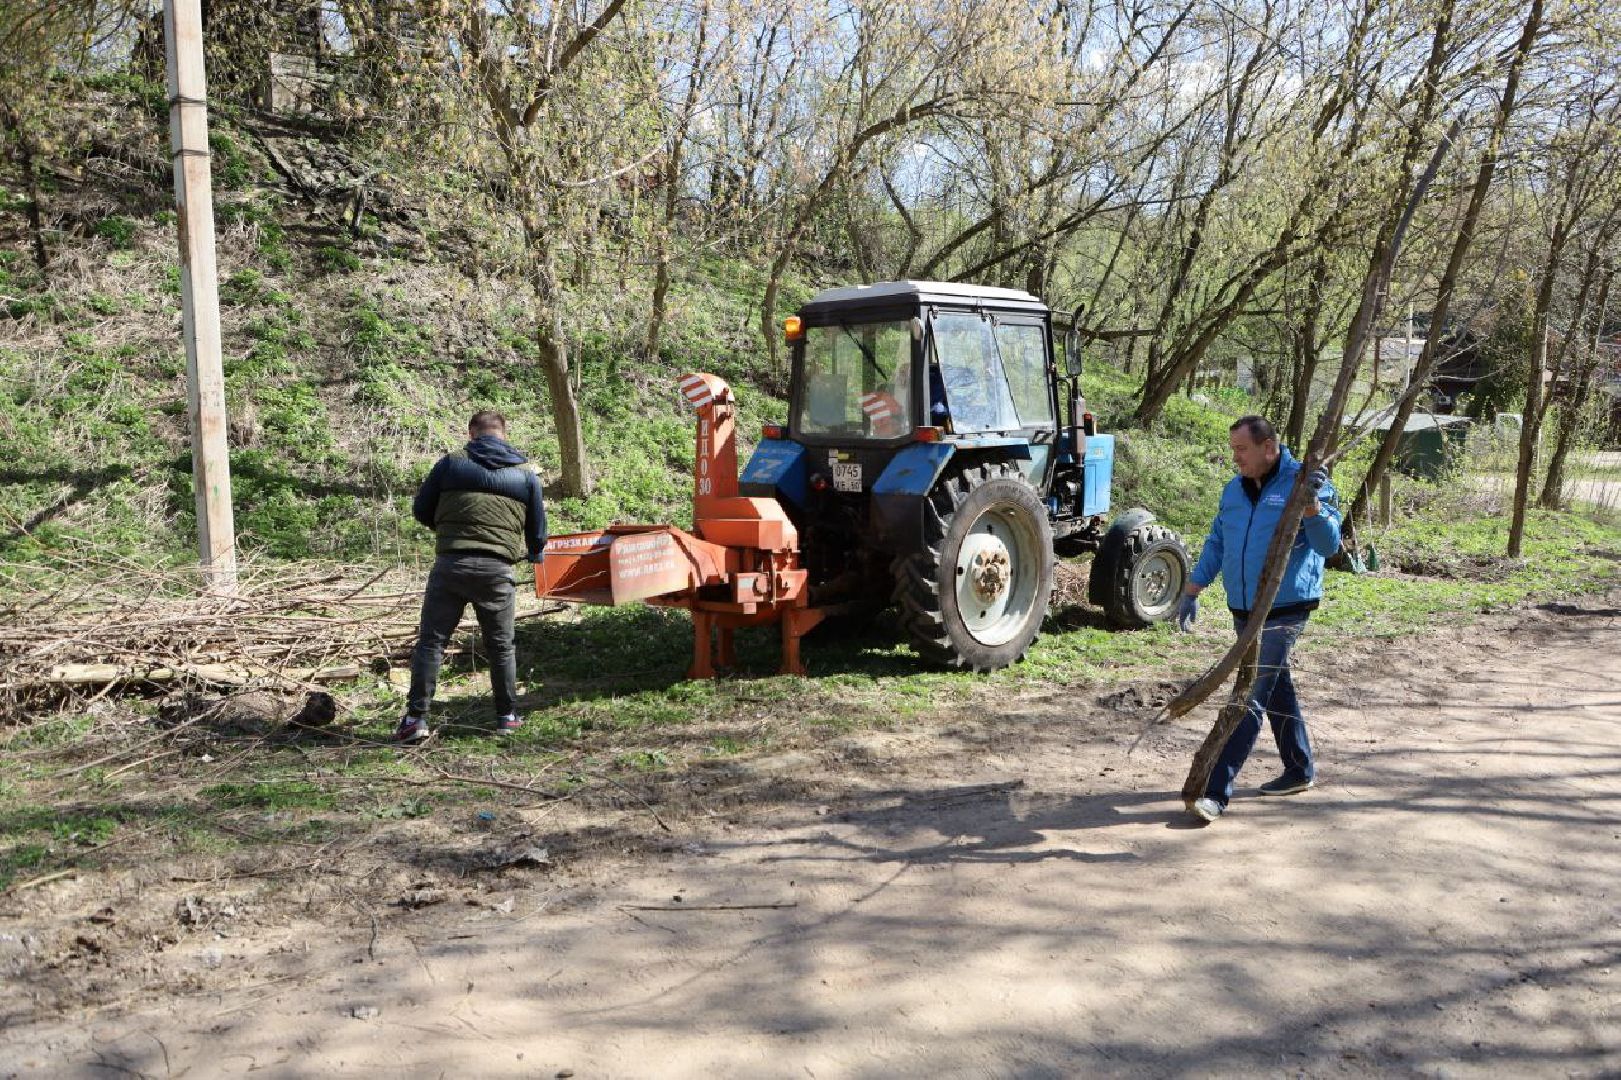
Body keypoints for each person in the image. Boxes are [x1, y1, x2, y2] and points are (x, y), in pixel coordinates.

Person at [1175, 415, 1341, 823]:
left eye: (1241, 450)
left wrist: (1312, 508)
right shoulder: (1234, 490)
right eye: (1233, 449)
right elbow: (1218, 540)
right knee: (1274, 688)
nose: (1236, 459)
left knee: (1250, 693)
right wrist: (1193, 589)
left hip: (1284, 609)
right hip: (1243, 609)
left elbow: (1329, 545)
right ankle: (1299, 768)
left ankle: (1215, 792)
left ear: (1269, 448)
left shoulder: (1305, 483)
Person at [396, 410, 547, 742]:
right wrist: (534, 554)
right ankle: (507, 718)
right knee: (501, 647)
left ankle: (415, 720)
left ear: (471, 433)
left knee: (432, 643)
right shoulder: (525, 476)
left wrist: (449, 532)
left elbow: (421, 509)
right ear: (503, 434)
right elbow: (538, 531)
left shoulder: (451, 463)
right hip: (497, 571)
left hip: (451, 564)